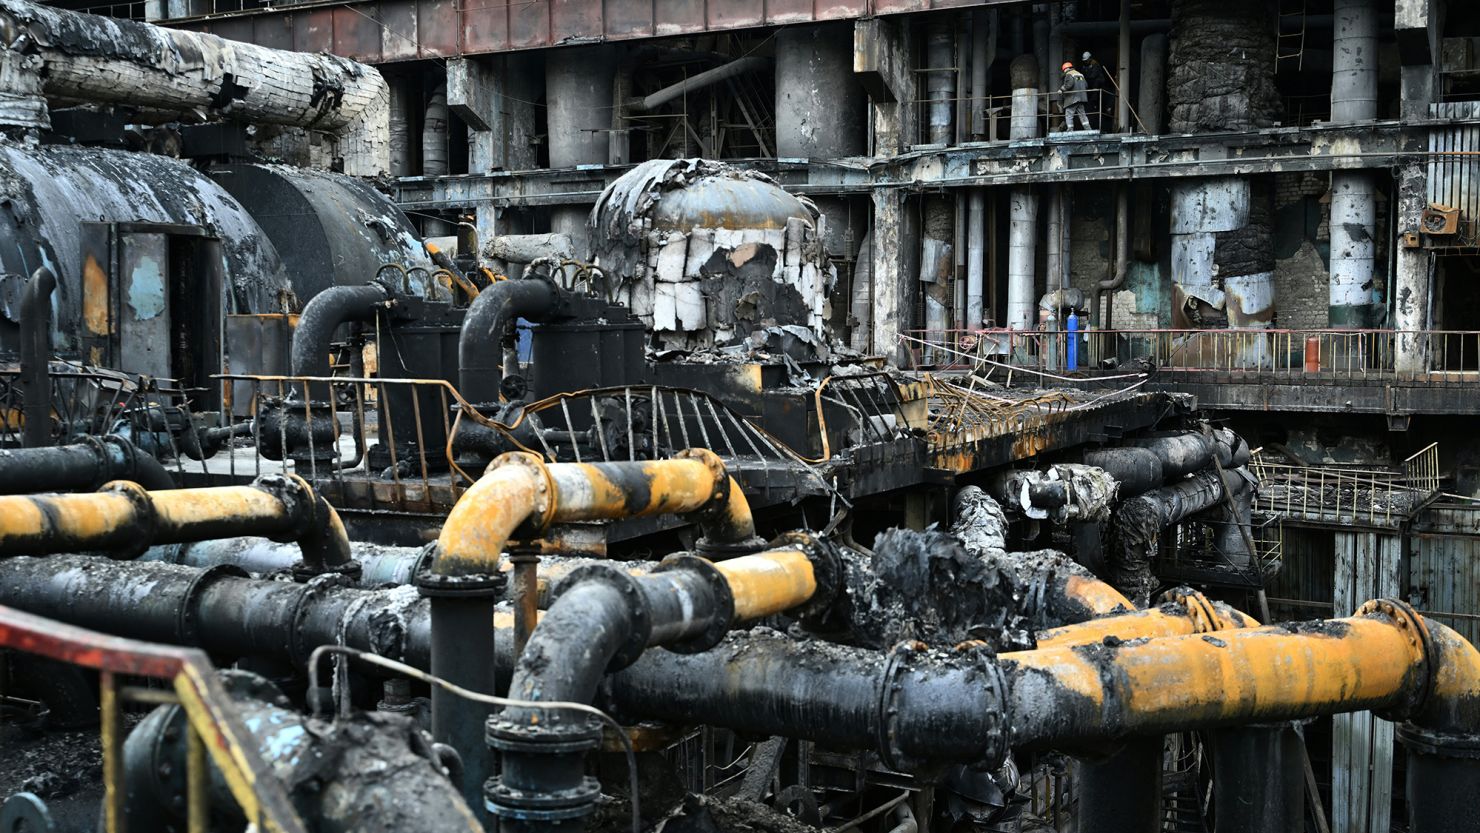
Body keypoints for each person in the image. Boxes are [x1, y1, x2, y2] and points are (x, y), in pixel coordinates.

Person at [1059, 61, 1093, 131]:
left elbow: (1069, 84)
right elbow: (1086, 85)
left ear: (1066, 69)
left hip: (1072, 99)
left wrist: (1061, 89)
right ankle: (1088, 129)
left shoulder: (1069, 74)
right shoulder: (1080, 75)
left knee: (1069, 114)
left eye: (1064, 70)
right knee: (1082, 115)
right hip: (1082, 98)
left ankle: (1070, 129)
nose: (1064, 71)